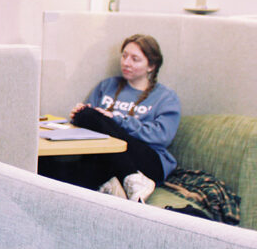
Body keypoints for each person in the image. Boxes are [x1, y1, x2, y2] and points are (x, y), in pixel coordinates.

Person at [39, 34, 181, 202]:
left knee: (90, 116)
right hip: (104, 157)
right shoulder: (107, 86)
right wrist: (79, 116)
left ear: (151, 66)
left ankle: (133, 177)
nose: (126, 62)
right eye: (124, 56)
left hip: (148, 160)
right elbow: (90, 125)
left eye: (135, 59)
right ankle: (119, 181)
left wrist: (114, 120)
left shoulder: (165, 97)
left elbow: (161, 136)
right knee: (44, 167)